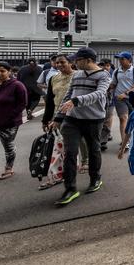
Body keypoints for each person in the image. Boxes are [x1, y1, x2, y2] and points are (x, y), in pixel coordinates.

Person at [51, 47, 111, 205]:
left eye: (77, 60)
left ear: (88, 60)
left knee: (93, 150)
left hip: (93, 120)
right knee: (70, 153)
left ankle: (95, 178)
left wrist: (77, 101)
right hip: (72, 120)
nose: (74, 62)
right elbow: (68, 94)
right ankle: (70, 188)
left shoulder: (104, 75)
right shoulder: (76, 74)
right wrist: (58, 116)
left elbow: (99, 94)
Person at [40, 54, 76, 190]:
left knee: (70, 147)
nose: (59, 65)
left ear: (71, 63)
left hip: (76, 116)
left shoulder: (78, 76)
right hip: (58, 117)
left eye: (62, 62)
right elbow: (49, 101)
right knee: (59, 147)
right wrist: (46, 120)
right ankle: (57, 175)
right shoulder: (53, 79)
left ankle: (79, 166)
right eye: (57, 63)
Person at [0, 61, 27, 180]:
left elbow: (22, 104)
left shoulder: (17, 85)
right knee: (7, 145)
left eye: (2, 71)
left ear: (9, 72)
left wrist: (10, 117)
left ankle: (9, 168)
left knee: (8, 146)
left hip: (10, 122)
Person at [109, 52, 134, 152]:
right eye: (119, 59)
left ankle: (133, 138)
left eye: (122, 59)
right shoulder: (116, 71)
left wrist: (126, 93)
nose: (120, 61)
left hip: (132, 98)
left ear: (129, 60)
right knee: (123, 118)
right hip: (119, 98)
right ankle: (125, 142)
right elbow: (113, 84)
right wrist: (104, 89)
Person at [99, 58, 115, 150]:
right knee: (100, 120)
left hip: (110, 101)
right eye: (103, 65)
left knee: (107, 120)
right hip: (98, 101)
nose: (105, 67)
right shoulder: (96, 73)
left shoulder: (113, 73)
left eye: (107, 65)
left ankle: (103, 141)